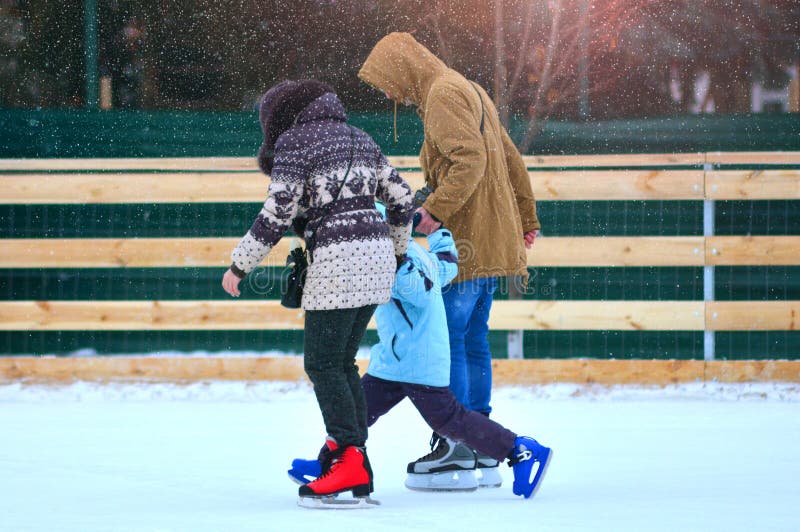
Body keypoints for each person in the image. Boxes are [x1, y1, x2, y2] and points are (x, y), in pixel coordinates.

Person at [358, 32, 541, 487]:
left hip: (464, 240)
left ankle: (457, 446)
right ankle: (481, 441)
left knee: (451, 341)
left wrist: (433, 210)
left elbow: (470, 159)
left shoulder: (442, 94)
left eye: (386, 82)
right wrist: (526, 214)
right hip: (491, 236)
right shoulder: (467, 87)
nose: (387, 94)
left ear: (403, 68)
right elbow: (509, 155)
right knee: (474, 339)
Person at [221, 80, 414, 502]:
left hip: (338, 263)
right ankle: (353, 460)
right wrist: (396, 252)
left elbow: (277, 212)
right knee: (342, 363)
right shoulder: (361, 137)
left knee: (323, 365)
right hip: (377, 263)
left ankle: (347, 459)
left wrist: (240, 263)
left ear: (279, 116)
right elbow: (402, 198)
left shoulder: (294, 142)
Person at [289, 214, 552, 499]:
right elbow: (446, 266)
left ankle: (521, 450)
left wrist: (393, 266)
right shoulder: (409, 251)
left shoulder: (401, 257)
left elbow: (420, 291)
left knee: (450, 420)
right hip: (392, 360)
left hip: (420, 361)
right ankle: (329, 463)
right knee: (356, 411)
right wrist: (439, 232)